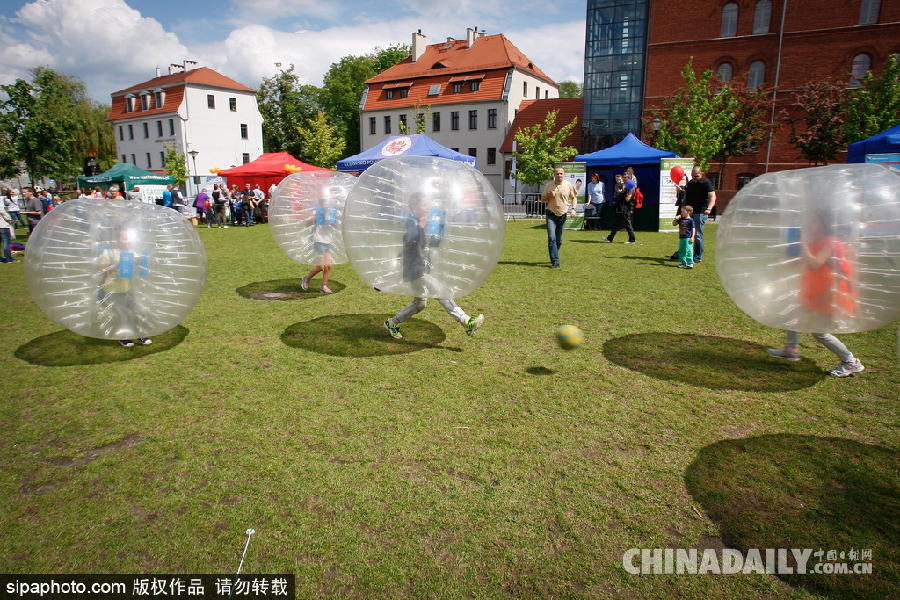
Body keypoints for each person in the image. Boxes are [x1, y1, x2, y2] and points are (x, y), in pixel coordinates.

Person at [765, 212, 864, 377]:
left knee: (820, 332)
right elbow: (797, 263)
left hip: (831, 294)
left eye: (814, 220)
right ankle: (791, 349)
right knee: (792, 314)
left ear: (823, 223)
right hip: (815, 291)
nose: (809, 223)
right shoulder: (816, 241)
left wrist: (802, 244)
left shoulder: (831, 243)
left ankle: (851, 361)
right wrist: (790, 251)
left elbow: (814, 264)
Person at [383, 192, 484, 339]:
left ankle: (392, 323)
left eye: (427, 204)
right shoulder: (411, 222)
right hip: (416, 270)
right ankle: (466, 321)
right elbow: (408, 240)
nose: (427, 207)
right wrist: (420, 227)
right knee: (441, 292)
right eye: (424, 205)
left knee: (420, 303)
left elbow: (430, 244)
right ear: (414, 207)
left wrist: (437, 231)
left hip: (420, 267)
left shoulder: (422, 222)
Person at [98, 228, 151, 348]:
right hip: (114, 290)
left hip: (128, 288)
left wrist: (141, 260)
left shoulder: (130, 251)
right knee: (123, 315)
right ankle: (124, 337)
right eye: (125, 238)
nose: (128, 241)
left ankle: (140, 333)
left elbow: (137, 261)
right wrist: (115, 265)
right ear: (117, 240)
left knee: (141, 311)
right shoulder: (109, 253)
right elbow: (103, 270)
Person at [301, 195, 339, 294]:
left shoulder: (331, 213)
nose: (327, 205)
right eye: (325, 203)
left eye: (328, 203)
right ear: (321, 204)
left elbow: (336, 226)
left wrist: (333, 219)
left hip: (328, 241)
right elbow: (307, 224)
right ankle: (306, 278)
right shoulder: (316, 212)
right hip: (319, 240)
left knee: (328, 266)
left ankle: (324, 286)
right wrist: (316, 217)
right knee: (320, 267)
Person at [540, 166, 577, 268]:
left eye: (561, 173)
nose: (559, 175)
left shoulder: (568, 185)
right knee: (552, 238)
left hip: (562, 215)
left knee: (558, 240)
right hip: (551, 215)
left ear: (564, 174)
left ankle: (554, 254)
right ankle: (555, 261)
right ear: (554, 175)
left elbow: (574, 198)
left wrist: (573, 209)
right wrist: (548, 197)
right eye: (557, 173)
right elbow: (542, 199)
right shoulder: (549, 186)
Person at [683, 166, 715, 263]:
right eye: (692, 176)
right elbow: (687, 197)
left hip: (701, 212)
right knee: (687, 234)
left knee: (697, 235)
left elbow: (712, 196)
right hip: (690, 212)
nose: (694, 178)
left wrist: (709, 208)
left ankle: (697, 257)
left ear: (701, 174)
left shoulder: (706, 183)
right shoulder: (691, 183)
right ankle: (685, 253)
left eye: (696, 176)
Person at [603, 174, 636, 244]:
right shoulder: (625, 187)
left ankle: (632, 239)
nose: (624, 179)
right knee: (616, 224)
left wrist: (621, 193)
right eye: (623, 177)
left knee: (628, 224)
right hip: (620, 208)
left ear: (629, 178)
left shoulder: (631, 188)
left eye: (625, 177)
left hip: (625, 208)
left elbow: (627, 199)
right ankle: (610, 238)